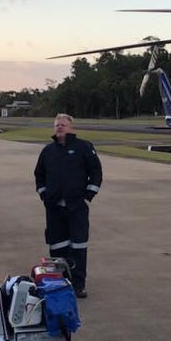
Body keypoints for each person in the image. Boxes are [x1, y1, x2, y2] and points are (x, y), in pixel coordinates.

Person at [34, 113, 103, 298]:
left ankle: (78, 284)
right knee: (57, 247)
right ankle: (59, 283)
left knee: (78, 246)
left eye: (63, 125)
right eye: (57, 125)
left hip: (77, 207)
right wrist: (43, 194)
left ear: (71, 128)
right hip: (54, 208)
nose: (59, 127)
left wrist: (88, 195)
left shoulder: (84, 148)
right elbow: (39, 174)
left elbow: (96, 172)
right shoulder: (48, 151)